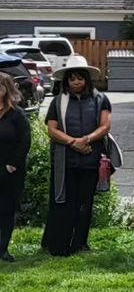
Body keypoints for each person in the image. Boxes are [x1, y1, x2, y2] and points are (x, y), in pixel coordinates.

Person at [41, 55, 112, 257]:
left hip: (90, 161)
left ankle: (80, 244)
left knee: (85, 204)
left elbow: (105, 125)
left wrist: (86, 140)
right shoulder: (58, 102)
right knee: (63, 203)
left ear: (87, 79)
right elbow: (52, 130)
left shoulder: (100, 100)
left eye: (80, 78)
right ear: (66, 81)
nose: (76, 82)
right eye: (72, 78)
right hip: (65, 162)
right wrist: (74, 142)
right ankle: (58, 244)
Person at [0, 72, 30, 263]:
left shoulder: (17, 114)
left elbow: (25, 141)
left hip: (10, 170)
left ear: (7, 89)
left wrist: (12, 165)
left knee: (6, 210)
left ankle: (3, 249)